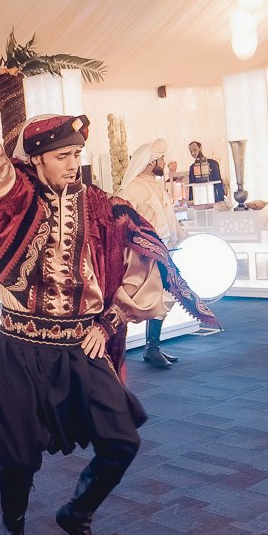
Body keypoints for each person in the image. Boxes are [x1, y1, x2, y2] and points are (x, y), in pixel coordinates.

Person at [0, 43, 219, 535]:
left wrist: (109, 321)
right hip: (24, 347)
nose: (73, 166)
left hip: (80, 346)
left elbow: (139, 260)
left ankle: (77, 514)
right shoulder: (17, 196)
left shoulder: (100, 206)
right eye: (63, 157)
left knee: (123, 439)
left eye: (77, 156)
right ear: (38, 161)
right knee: (19, 456)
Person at [118, 138, 185, 367]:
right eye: (161, 158)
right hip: (144, 254)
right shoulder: (132, 187)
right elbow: (122, 220)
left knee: (164, 297)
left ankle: (153, 347)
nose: (164, 162)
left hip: (164, 250)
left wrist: (180, 236)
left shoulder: (154, 185)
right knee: (136, 300)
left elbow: (167, 217)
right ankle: (119, 350)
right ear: (151, 161)